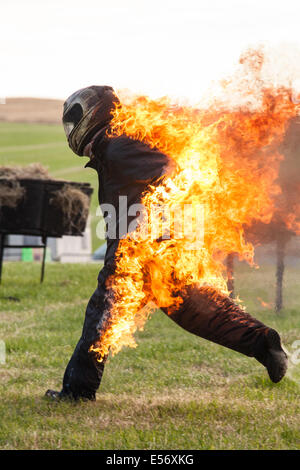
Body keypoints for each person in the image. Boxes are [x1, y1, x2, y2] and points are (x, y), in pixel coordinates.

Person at [46, 86, 288, 401]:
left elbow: (170, 173)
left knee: (102, 314)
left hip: (140, 251)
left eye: (73, 119)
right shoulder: (115, 147)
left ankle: (77, 392)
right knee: (193, 310)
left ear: (93, 113)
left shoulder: (117, 147)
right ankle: (262, 342)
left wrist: (150, 228)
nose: (71, 129)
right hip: (156, 248)